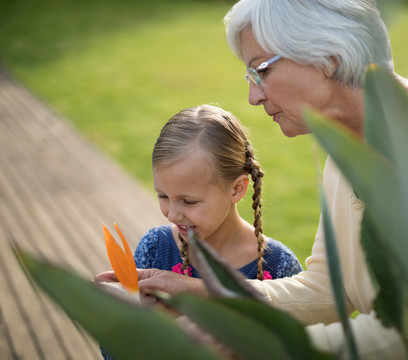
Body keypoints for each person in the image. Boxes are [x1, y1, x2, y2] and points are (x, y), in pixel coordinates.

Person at [97, 1, 408, 358]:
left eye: (261, 70)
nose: (252, 96)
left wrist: (254, 342)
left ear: (326, 57)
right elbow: (327, 291)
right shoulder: (347, 147)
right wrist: (210, 291)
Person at [99, 104, 302, 359]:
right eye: (163, 196)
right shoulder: (155, 249)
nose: (172, 214)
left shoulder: (279, 266)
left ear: (237, 189)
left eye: (189, 201)